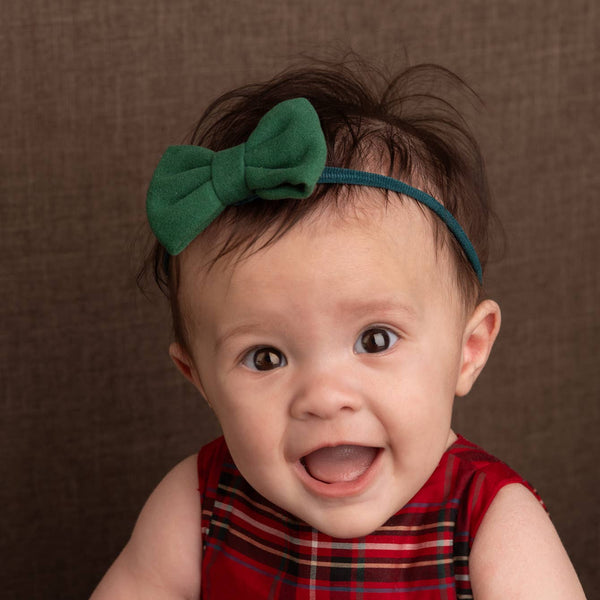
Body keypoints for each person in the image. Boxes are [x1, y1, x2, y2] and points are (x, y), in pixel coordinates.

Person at [90, 59, 586, 599]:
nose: (324, 399)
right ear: (200, 378)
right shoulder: (198, 504)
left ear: (467, 350)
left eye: (375, 340)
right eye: (265, 357)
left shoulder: (491, 523)